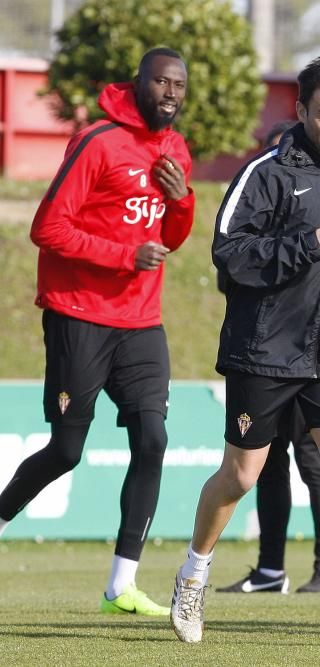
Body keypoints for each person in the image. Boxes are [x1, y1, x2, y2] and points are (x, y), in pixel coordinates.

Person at [170, 55, 320, 644]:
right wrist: (305, 247)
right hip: (266, 348)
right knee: (241, 474)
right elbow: (228, 253)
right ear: (300, 112)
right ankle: (193, 576)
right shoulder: (265, 172)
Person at [0, 48, 194, 616]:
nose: (171, 93)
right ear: (137, 83)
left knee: (152, 440)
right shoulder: (98, 141)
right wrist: (122, 255)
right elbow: (47, 228)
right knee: (66, 450)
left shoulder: (175, 149)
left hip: (141, 322)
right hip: (79, 315)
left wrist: (181, 200)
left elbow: (172, 238)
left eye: (179, 85)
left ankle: (121, 585)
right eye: (161, 81)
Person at [217, 120, 320, 596]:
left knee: (319, 464)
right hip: (265, 352)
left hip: (312, 352)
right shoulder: (258, 192)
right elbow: (232, 262)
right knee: (265, 464)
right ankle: (271, 570)